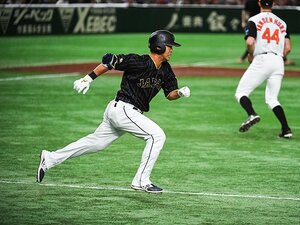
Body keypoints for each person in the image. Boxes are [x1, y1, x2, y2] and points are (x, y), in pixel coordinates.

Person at [36, 30, 191, 193]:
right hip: (123, 109)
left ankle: (50, 158)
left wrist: (179, 93)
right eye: (169, 46)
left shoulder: (165, 69)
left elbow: (170, 94)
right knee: (157, 135)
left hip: (123, 112)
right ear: (159, 47)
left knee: (96, 143)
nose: (172, 50)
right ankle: (141, 180)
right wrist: (88, 78)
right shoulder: (139, 62)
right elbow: (110, 60)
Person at [235, 0, 292, 138]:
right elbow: (288, 47)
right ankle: (286, 130)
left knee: (241, 92)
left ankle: (251, 114)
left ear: (259, 3)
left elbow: (250, 41)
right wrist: (278, 56)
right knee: (272, 99)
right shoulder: (282, 23)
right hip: (278, 61)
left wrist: (250, 54)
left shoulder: (254, 20)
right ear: (273, 3)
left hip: (262, 59)